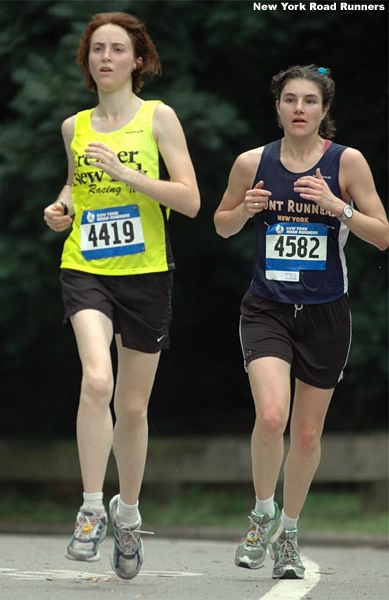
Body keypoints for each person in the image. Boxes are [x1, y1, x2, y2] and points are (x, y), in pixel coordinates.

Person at [214, 64, 388, 580]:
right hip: (266, 306)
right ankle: (262, 513)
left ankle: (288, 532)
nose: (298, 109)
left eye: (309, 101)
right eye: (290, 100)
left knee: (307, 435)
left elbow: (382, 235)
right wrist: (244, 210)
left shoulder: (347, 162)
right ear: (277, 107)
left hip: (326, 311)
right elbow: (221, 225)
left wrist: (340, 208)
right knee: (272, 416)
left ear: (323, 110)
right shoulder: (252, 162)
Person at [44, 11, 200, 581]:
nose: (104, 57)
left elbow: (188, 199)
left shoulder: (159, 119)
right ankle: (90, 508)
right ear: (87, 62)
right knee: (96, 379)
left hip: (146, 273)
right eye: (96, 49)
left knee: (132, 407)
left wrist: (128, 174)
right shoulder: (73, 127)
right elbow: (75, 185)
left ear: (138, 61)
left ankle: (127, 515)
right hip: (86, 265)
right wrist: (61, 208)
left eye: (117, 49)